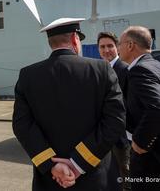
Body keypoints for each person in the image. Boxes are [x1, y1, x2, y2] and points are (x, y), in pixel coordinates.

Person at [12, 18, 126, 191]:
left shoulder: (28, 75)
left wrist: (51, 165)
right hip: (96, 178)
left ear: (51, 42)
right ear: (75, 39)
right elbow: (115, 121)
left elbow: (22, 125)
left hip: (50, 180)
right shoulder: (102, 70)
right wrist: (78, 163)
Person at [118, 26, 160, 191]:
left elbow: (157, 107)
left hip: (149, 156)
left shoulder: (139, 70)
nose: (118, 47)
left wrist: (140, 143)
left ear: (130, 45)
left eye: (119, 43)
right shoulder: (155, 64)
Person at [97, 32, 131, 189]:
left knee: (125, 175)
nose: (106, 50)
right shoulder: (101, 69)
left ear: (117, 47)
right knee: (112, 176)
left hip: (121, 138)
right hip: (105, 136)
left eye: (110, 46)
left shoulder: (124, 70)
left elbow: (129, 105)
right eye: (102, 47)